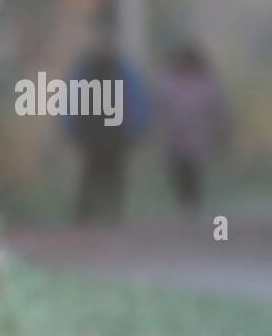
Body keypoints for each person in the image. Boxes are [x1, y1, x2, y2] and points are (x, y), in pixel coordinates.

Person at [65, 43, 150, 224]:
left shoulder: (121, 73)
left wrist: (137, 128)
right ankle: (90, 214)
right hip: (98, 135)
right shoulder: (90, 73)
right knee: (95, 175)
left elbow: (135, 102)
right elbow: (71, 103)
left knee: (109, 175)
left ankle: (104, 213)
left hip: (110, 134)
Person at [157, 43, 230, 212]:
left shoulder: (206, 82)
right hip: (175, 137)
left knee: (194, 170)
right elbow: (161, 106)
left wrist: (221, 129)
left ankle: (193, 204)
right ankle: (184, 202)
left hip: (198, 136)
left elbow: (217, 107)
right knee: (178, 171)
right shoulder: (170, 81)